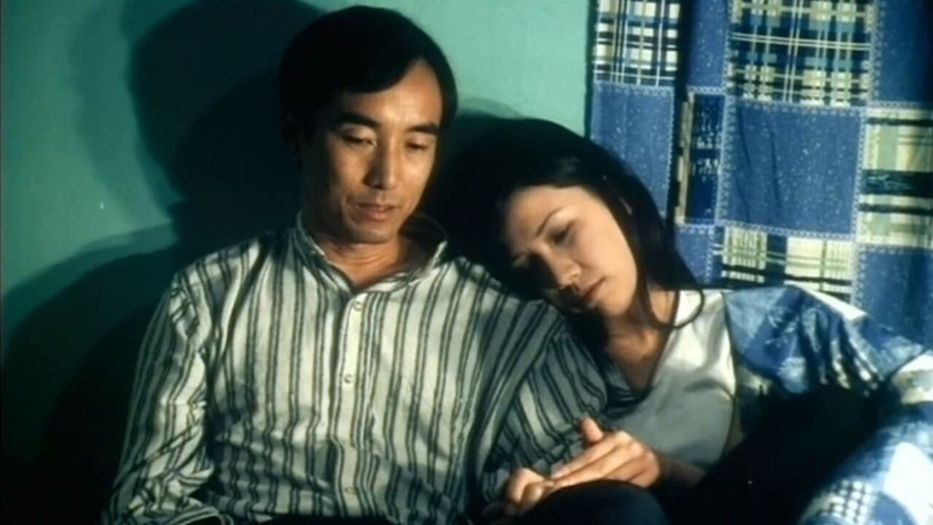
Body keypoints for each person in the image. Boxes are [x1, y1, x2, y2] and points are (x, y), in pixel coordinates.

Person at [103, 8, 669, 525]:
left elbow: (551, 480)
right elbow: (147, 504)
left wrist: (535, 494)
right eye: (359, 139)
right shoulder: (209, 296)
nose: (388, 177)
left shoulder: (508, 317)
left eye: (416, 146)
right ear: (299, 136)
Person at [443, 118, 933, 525]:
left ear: (619, 200)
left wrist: (666, 470)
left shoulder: (774, 324)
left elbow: (922, 385)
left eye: (563, 234)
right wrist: (532, 502)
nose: (560, 275)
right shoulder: (545, 386)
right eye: (529, 267)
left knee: (833, 414)